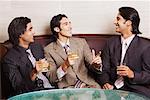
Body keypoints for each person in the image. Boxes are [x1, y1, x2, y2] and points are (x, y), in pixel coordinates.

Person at [99, 7, 150, 98]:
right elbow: (104, 69)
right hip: (113, 88)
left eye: (118, 19)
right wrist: (105, 83)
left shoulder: (145, 46)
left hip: (136, 89)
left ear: (129, 23)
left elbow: (148, 75)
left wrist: (132, 74)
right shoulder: (110, 43)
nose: (115, 22)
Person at [44, 14, 102, 89]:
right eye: (66, 24)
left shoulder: (81, 42)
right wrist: (65, 65)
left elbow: (92, 64)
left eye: (70, 23)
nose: (70, 27)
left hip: (89, 85)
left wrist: (97, 64)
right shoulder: (49, 50)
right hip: (68, 90)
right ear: (57, 29)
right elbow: (51, 78)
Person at [2, 17, 53, 97]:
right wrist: (34, 72)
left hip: (50, 88)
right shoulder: (9, 59)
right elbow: (19, 88)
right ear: (20, 34)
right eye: (30, 29)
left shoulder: (37, 47)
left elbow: (48, 71)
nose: (34, 32)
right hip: (32, 94)